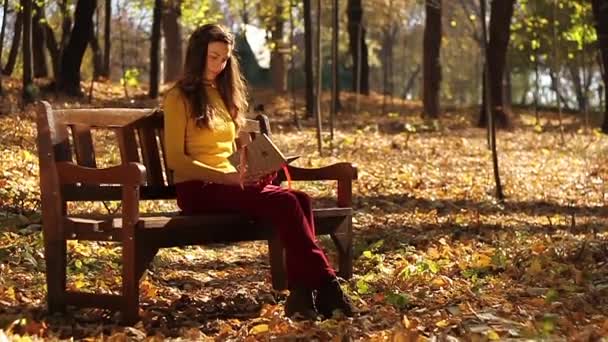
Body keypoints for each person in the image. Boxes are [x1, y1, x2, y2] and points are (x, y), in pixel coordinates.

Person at [162, 24, 355, 320]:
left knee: (300, 198)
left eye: (225, 59)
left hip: (230, 184)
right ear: (197, 54)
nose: (218, 65)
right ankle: (329, 286)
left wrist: (255, 166)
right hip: (197, 188)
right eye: (213, 57)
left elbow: (240, 151)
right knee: (287, 202)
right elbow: (176, 159)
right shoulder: (179, 97)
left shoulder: (224, 95)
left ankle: (302, 296)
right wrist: (227, 177)